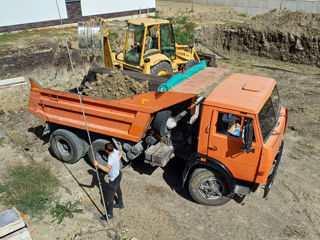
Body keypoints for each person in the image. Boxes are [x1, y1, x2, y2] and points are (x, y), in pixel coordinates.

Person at [94, 143, 123, 220]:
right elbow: (121, 153)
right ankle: (120, 203)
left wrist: (97, 164)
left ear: (106, 150)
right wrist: (117, 160)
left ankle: (110, 214)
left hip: (113, 179)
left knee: (109, 198)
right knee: (118, 189)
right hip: (119, 174)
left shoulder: (110, 158)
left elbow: (107, 169)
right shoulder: (116, 151)